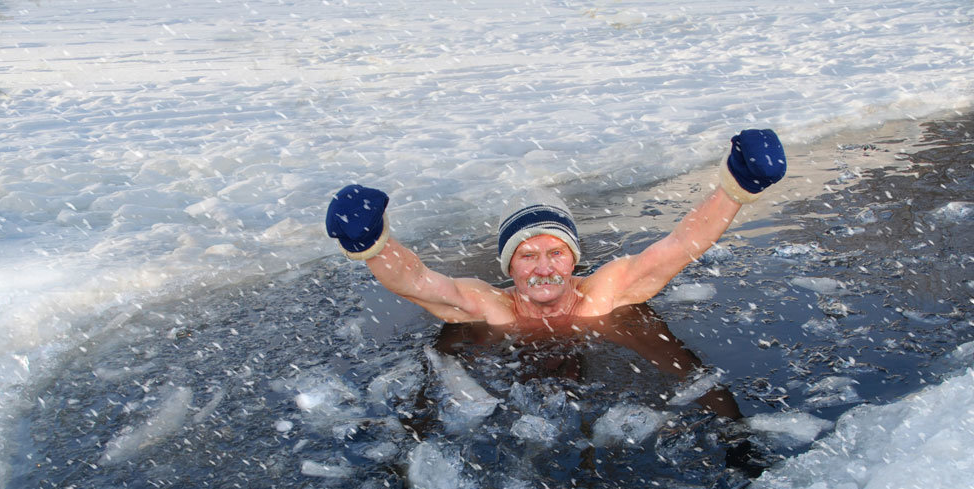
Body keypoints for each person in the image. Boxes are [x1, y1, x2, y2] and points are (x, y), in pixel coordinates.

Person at [325, 129, 786, 326]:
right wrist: (370, 242)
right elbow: (419, 282)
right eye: (527, 255)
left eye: (555, 253)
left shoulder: (603, 294)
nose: (543, 268)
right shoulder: (491, 307)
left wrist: (737, 185)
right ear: (509, 265)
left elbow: (681, 244)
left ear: (574, 259)